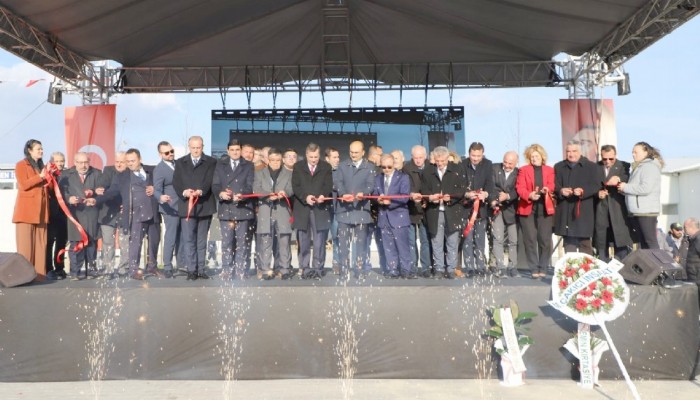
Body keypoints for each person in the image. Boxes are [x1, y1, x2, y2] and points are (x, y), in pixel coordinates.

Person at [99, 148, 161, 280]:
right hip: (135, 214)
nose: (130, 163)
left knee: (154, 241)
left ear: (140, 159)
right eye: (128, 161)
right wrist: (96, 199)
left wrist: (155, 188)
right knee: (135, 243)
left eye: (133, 161)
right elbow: (112, 192)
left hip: (152, 212)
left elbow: (164, 185)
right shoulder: (122, 177)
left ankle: (152, 267)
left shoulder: (153, 171)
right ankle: (133, 270)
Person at [173, 136, 217, 281]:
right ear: (189, 147)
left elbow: (211, 180)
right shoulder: (180, 162)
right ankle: (191, 270)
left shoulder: (211, 162)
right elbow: (176, 182)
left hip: (204, 205)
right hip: (187, 206)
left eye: (198, 147)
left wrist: (201, 191)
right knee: (188, 240)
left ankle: (200, 269)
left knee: (201, 240)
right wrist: (184, 192)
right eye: (193, 147)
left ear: (202, 147)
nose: (196, 150)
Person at [420, 146, 467, 279]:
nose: (439, 164)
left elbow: (462, 190)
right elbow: (424, 189)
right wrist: (430, 197)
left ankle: (451, 269)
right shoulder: (428, 170)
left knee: (452, 241)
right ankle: (439, 269)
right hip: (435, 212)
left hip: (452, 211)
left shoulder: (457, 169)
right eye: (437, 161)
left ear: (448, 158)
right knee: (436, 242)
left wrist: (451, 197)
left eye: (442, 161)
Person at [212, 139, 255, 280]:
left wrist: (242, 196)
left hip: (243, 209)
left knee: (242, 243)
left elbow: (250, 186)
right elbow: (215, 185)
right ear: (227, 150)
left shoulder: (248, 165)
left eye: (237, 150)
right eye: (232, 150)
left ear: (241, 150)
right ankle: (226, 270)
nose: (235, 152)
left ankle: (240, 270)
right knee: (227, 243)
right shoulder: (220, 165)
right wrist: (221, 194)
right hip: (226, 209)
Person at [291, 142, 333, 279]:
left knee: (319, 240)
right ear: (306, 155)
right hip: (303, 208)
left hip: (320, 209)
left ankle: (318, 268)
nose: (314, 160)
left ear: (319, 155)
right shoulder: (298, 167)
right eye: (311, 157)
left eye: (316, 157)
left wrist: (323, 195)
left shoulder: (326, 166)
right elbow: (295, 186)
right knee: (303, 240)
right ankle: (304, 268)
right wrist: (305, 197)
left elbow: (328, 185)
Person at [335, 141, 375, 278]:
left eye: (356, 152)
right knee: (343, 244)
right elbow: (338, 183)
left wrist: (363, 193)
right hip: (344, 210)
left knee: (361, 243)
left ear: (363, 152)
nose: (353, 155)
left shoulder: (369, 167)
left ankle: (359, 270)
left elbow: (371, 185)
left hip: (361, 210)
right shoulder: (342, 166)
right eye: (351, 152)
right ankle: (344, 270)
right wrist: (342, 194)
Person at [516, 144, 555, 279]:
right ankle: (533, 268)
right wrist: (529, 195)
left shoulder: (549, 170)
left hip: (544, 207)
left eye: (536, 156)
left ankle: (543, 267)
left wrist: (547, 189)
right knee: (530, 239)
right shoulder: (523, 170)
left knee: (544, 239)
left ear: (542, 157)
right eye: (532, 156)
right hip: (528, 207)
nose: (534, 159)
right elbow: (519, 187)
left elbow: (552, 184)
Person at [254, 148, 294, 280]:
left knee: (284, 241)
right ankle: (265, 269)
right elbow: (256, 189)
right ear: (267, 160)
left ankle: (284, 269)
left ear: (281, 160)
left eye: (278, 160)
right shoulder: (259, 173)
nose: (275, 163)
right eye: (272, 160)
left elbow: (291, 189)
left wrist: (284, 194)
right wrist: (267, 195)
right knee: (265, 241)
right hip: (266, 210)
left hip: (282, 210)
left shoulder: (288, 174)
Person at [13, 139, 50, 281]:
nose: (41, 151)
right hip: (26, 211)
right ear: (29, 150)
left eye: (42, 149)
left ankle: (39, 276)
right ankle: (23, 277)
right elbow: (23, 184)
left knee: (41, 246)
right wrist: (39, 177)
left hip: (41, 211)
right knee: (25, 247)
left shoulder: (42, 166)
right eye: (38, 149)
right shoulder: (21, 165)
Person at [60, 152, 101, 280]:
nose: (84, 166)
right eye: (80, 162)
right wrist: (69, 199)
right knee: (76, 243)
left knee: (91, 243)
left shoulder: (97, 173)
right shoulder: (66, 175)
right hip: (75, 214)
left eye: (86, 162)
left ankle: (91, 270)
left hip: (91, 214)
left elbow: (103, 190)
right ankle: (75, 272)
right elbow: (61, 193)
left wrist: (94, 195)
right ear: (75, 162)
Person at [554, 140, 599, 255]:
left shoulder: (591, 167)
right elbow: (554, 185)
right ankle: (570, 270)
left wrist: (583, 192)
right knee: (569, 243)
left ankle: (587, 270)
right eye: (568, 151)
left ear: (581, 152)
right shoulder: (559, 167)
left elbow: (596, 185)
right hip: (565, 211)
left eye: (574, 151)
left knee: (585, 243)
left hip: (583, 211)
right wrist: (561, 191)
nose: (571, 154)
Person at [618, 142, 663, 250]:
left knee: (650, 241)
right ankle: (649, 265)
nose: (633, 154)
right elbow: (636, 187)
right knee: (644, 243)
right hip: (639, 211)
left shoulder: (649, 167)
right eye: (632, 152)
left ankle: (657, 265)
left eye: (636, 152)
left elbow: (646, 188)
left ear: (646, 152)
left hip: (646, 212)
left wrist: (626, 187)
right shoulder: (639, 167)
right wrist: (623, 190)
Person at [375, 154, 412, 278]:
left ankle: (406, 270)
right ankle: (393, 270)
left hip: (399, 217)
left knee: (403, 247)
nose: (386, 169)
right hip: (384, 218)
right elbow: (375, 194)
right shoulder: (378, 178)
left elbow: (405, 197)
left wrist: (390, 202)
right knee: (388, 247)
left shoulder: (403, 177)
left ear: (394, 165)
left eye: (389, 167)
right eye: (383, 167)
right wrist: (378, 200)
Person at [594, 145, 633, 261]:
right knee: (602, 242)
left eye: (611, 159)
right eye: (605, 159)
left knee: (620, 242)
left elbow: (627, 179)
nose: (607, 162)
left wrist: (619, 179)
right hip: (601, 209)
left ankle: (621, 270)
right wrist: (598, 193)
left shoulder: (624, 166)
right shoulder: (596, 167)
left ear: (615, 155)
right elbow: (591, 185)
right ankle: (602, 269)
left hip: (618, 209)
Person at [461, 142, 494, 277]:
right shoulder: (462, 165)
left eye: (478, 156)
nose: (475, 158)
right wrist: (467, 193)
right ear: (469, 154)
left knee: (480, 240)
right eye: (473, 155)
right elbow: (459, 185)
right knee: (467, 239)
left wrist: (485, 194)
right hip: (466, 208)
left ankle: (480, 267)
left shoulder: (488, 164)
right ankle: (469, 268)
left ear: (482, 154)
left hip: (481, 209)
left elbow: (490, 184)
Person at [96, 152, 129, 278]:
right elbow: (102, 185)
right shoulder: (108, 170)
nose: (119, 164)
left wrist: (126, 204)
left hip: (124, 211)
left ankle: (123, 269)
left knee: (124, 241)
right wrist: (98, 189)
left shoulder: (130, 173)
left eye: (122, 162)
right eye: (117, 162)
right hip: (108, 211)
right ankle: (108, 269)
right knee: (108, 241)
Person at [153, 142, 183, 278]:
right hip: (169, 207)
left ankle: (182, 264)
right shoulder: (159, 169)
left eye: (171, 151)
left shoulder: (179, 164)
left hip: (183, 205)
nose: (170, 154)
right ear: (160, 155)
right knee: (171, 236)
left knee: (182, 236)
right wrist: (161, 197)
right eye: (166, 153)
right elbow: (156, 189)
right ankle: (167, 266)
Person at [490, 151, 519, 278]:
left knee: (513, 240)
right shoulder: (494, 168)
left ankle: (512, 267)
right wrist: (496, 199)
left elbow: (518, 190)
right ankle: (500, 267)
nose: (507, 165)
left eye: (510, 163)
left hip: (511, 209)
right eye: (505, 162)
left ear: (516, 163)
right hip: (496, 208)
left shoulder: (519, 173)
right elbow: (490, 186)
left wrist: (507, 196)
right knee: (498, 239)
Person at [404, 145, 432, 277]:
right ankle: (413, 267)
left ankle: (426, 268)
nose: (418, 160)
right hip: (411, 208)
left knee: (425, 240)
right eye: (416, 158)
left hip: (426, 209)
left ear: (425, 157)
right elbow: (404, 186)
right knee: (411, 241)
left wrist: (427, 199)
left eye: (421, 157)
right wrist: (411, 194)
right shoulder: (406, 168)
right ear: (412, 157)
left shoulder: (431, 167)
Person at [45, 151, 68, 280]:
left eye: (62, 161)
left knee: (61, 243)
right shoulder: (47, 174)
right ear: (52, 162)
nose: (60, 163)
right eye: (57, 161)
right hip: (50, 214)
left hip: (63, 214)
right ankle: (48, 269)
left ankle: (60, 268)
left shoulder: (67, 174)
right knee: (49, 243)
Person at [325, 146, 341, 274]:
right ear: (327, 158)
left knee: (337, 237)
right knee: (320, 239)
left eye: (338, 157)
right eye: (334, 157)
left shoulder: (341, 172)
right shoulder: (322, 172)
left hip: (336, 210)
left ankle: (337, 262)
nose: (337, 159)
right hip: (322, 210)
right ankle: (318, 265)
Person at [682, 218, 700, 283]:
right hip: (695, 278)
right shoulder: (693, 239)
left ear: (689, 227)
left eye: (684, 228)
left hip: (697, 278)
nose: (683, 231)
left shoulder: (698, 239)